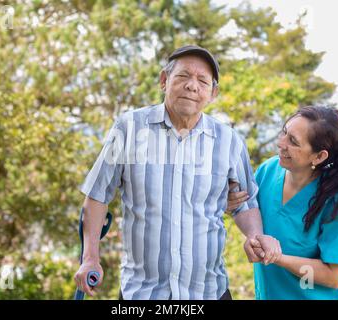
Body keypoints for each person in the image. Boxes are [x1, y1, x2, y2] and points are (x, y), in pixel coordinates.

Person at [73, 45, 282, 300]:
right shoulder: (128, 128)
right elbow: (97, 196)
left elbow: (245, 204)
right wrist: (90, 258)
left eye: (203, 81)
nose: (192, 86)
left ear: (213, 93)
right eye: (183, 76)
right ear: (164, 80)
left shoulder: (229, 141)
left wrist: (254, 236)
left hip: (208, 292)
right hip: (142, 293)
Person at [228, 106, 338, 299]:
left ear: (319, 156)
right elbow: (245, 209)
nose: (280, 143)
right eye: (284, 132)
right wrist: (237, 214)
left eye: (293, 142)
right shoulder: (268, 170)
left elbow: (333, 276)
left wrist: (278, 258)